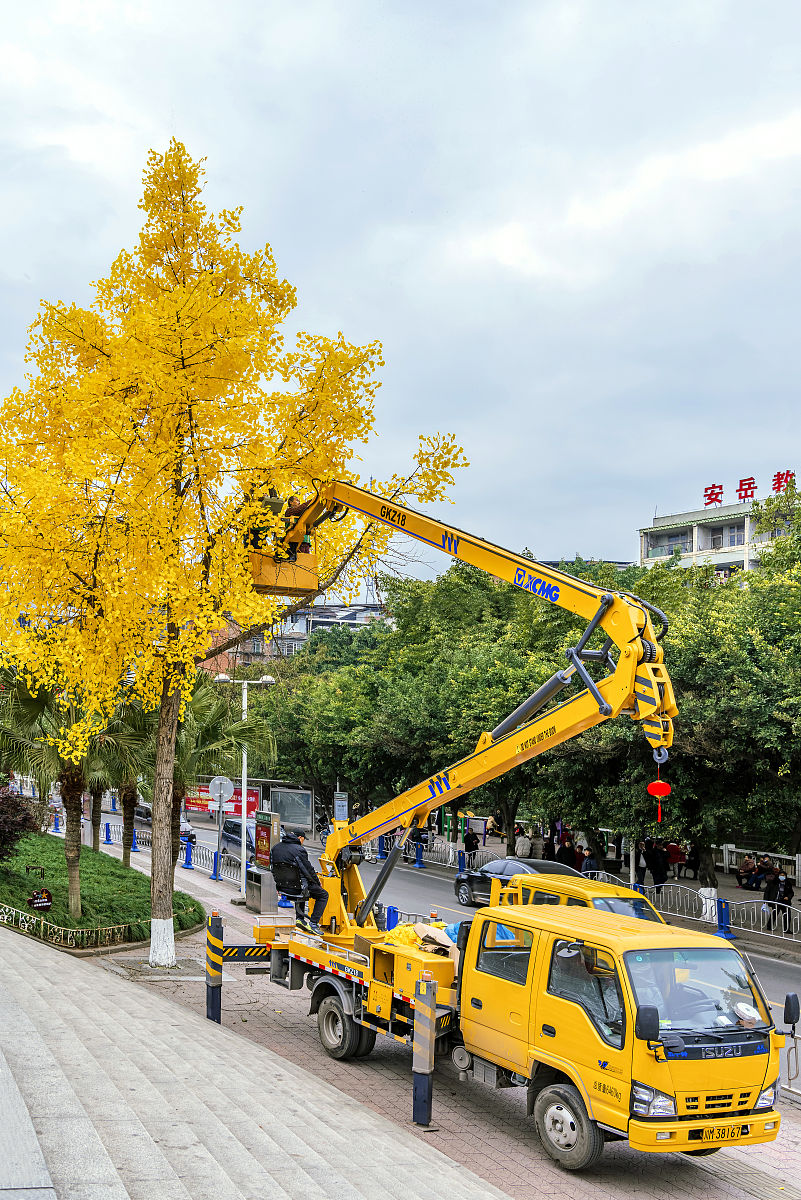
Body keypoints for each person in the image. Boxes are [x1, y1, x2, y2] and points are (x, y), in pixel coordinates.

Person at [270, 830, 328, 935]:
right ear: (300, 838)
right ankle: (313, 924)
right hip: (298, 887)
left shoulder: (275, 848)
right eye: (303, 839)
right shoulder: (299, 850)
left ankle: (300, 919)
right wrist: (316, 881)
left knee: (302, 888)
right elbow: (307, 869)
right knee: (323, 895)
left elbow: (273, 868)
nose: (303, 842)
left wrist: (278, 886)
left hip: (283, 887)